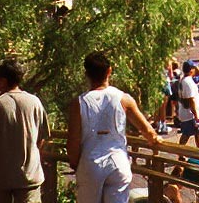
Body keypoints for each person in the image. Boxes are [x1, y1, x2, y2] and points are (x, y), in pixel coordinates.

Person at [67, 52, 160, 203]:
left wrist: (75, 163)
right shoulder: (124, 99)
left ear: (86, 74)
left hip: (91, 163)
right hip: (118, 162)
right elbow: (148, 131)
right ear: (109, 71)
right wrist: (156, 140)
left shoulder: (79, 103)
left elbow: (73, 141)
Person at [0, 59, 50, 203]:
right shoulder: (35, 102)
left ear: (3, 81)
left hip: (0, 177)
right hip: (29, 176)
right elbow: (42, 138)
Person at [173, 62, 199, 149]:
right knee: (194, 135)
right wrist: (196, 115)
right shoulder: (188, 82)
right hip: (190, 114)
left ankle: (181, 154)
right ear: (191, 70)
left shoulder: (183, 80)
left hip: (185, 113)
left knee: (189, 134)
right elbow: (191, 100)